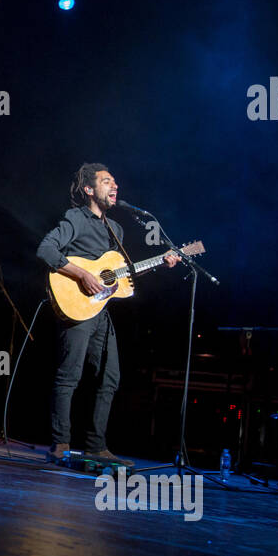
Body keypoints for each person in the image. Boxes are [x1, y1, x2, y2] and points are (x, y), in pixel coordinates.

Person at [36, 162, 177, 466]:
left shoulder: (117, 229)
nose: (115, 186)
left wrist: (160, 262)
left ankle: (95, 446)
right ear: (89, 189)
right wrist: (82, 276)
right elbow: (46, 250)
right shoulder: (76, 218)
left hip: (99, 310)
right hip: (76, 303)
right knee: (69, 375)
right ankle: (60, 444)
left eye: (115, 182)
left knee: (109, 377)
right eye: (106, 182)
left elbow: (122, 277)